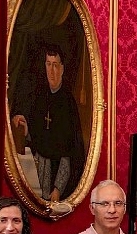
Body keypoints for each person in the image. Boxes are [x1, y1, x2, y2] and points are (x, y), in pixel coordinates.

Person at [10, 43, 84, 202]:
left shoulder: (68, 102)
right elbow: (36, 134)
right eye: (48, 64)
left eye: (55, 65)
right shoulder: (40, 96)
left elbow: (69, 152)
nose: (52, 70)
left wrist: (58, 189)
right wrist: (26, 128)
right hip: (38, 170)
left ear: (62, 68)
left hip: (58, 176)